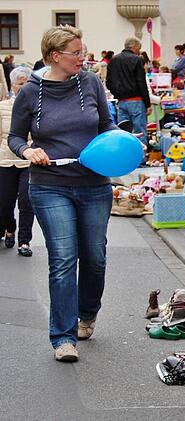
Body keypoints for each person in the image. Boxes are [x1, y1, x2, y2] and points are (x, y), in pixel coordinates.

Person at [8, 25, 121, 362]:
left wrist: (121, 143)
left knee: (95, 257)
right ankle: (63, 337)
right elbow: (14, 137)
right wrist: (27, 152)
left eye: (83, 51)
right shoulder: (31, 92)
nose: (82, 58)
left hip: (94, 184)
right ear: (55, 56)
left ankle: (88, 313)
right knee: (62, 259)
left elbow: (107, 125)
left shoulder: (91, 83)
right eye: (76, 53)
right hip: (49, 185)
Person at [0, 66, 34, 257]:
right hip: (5, 160)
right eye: (20, 84)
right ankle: (9, 227)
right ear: (12, 85)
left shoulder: (35, 106)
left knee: (26, 201)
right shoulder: (2, 107)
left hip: (28, 160)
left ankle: (24, 241)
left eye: (26, 83)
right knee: (4, 202)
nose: (23, 87)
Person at [106, 37, 151, 143]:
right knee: (139, 131)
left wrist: (117, 93)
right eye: (139, 49)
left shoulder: (113, 60)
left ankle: (126, 156)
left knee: (124, 131)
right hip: (136, 100)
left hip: (121, 101)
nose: (139, 51)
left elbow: (109, 82)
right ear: (134, 48)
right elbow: (141, 82)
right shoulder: (137, 60)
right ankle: (141, 157)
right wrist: (147, 103)